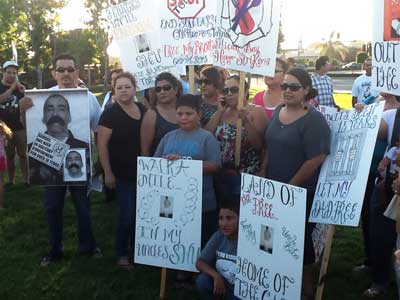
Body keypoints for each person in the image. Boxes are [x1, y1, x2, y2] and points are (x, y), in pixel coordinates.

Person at [20, 53, 102, 266]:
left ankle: (88, 247)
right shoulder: (38, 98)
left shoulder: (89, 98)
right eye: (61, 69)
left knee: (83, 207)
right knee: (52, 207)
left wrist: (100, 160)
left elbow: (98, 130)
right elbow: (28, 127)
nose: (66, 73)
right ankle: (55, 249)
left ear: (77, 72)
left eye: (70, 69)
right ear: (54, 73)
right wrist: (23, 111)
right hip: (48, 162)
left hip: (80, 162)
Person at [263, 67, 330, 300]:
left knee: (298, 241)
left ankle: (305, 290)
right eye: (285, 86)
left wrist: (290, 186)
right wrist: (263, 173)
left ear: (306, 91)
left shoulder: (314, 120)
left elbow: (317, 157)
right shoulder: (279, 110)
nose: (287, 91)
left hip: (301, 192)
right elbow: (270, 145)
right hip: (273, 188)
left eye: (294, 87)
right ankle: (279, 282)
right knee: (274, 236)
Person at [154, 94, 221, 248]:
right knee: (177, 239)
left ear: (199, 114)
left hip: (202, 203)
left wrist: (184, 165)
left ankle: (196, 271)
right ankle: (177, 269)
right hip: (173, 202)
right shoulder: (168, 137)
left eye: (189, 114)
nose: (184, 118)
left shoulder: (207, 138)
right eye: (180, 114)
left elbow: (215, 165)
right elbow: (155, 163)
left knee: (199, 241)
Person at [97, 72, 146, 268]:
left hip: (143, 173)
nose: (124, 90)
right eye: (119, 87)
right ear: (114, 91)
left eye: (127, 86)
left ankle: (140, 251)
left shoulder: (143, 109)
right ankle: (121, 253)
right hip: (121, 174)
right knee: (126, 215)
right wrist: (108, 172)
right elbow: (102, 146)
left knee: (140, 214)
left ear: (135, 89)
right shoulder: (109, 113)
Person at [205, 75, 268, 197]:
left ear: (245, 91)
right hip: (220, 174)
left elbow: (260, 146)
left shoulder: (256, 111)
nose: (229, 94)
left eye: (234, 90)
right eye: (225, 90)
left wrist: (245, 121)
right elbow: (206, 135)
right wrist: (219, 112)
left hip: (245, 176)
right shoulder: (222, 112)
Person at [28, 93, 89, 185]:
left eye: (61, 109)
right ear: (44, 117)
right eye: (49, 109)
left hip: (79, 187)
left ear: (69, 117)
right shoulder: (31, 149)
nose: (55, 114)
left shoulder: (84, 147)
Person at [196, 199, 240, 300]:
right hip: (223, 287)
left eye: (229, 218)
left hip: (241, 293)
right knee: (202, 281)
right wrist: (216, 276)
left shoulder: (248, 242)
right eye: (221, 218)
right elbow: (200, 262)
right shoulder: (219, 236)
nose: (224, 224)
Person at [0, 60, 28, 186]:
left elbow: (28, 101)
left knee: (23, 155)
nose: (11, 75)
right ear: (3, 72)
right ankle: (11, 180)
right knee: (9, 156)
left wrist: (24, 91)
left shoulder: (21, 86)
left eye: (14, 73)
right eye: (9, 72)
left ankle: (27, 179)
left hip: (20, 127)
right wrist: (12, 88)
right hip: (4, 129)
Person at [140, 72, 181, 156]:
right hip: (160, 166)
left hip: (188, 164)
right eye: (158, 89)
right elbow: (145, 150)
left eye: (166, 88)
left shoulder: (186, 110)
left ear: (176, 89)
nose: (162, 92)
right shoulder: (151, 115)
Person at [0, 121, 12, 209]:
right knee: (0, 182)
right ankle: (0, 205)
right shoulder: (4, 135)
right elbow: (6, 144)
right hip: (2, 159)